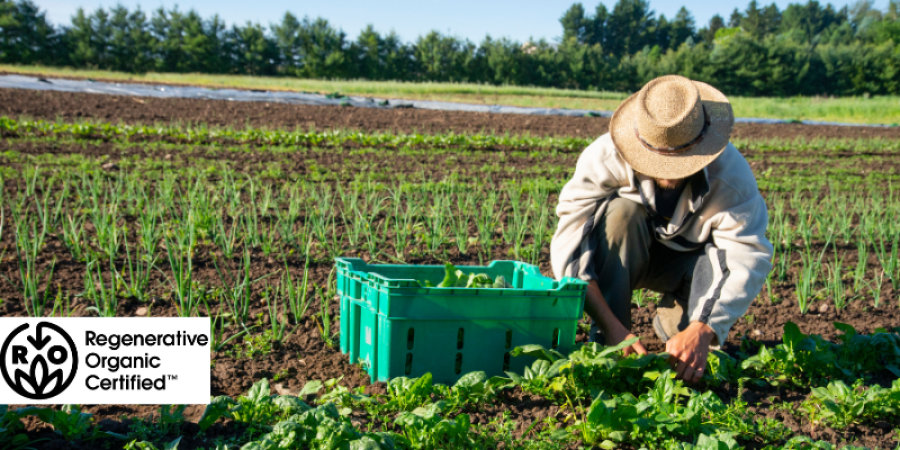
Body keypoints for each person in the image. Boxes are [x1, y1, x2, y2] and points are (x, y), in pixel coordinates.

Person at [550, 75, 773, 383]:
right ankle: (608, 341)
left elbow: (745, 255)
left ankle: (676, 323)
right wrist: (614, 329)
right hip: (627, 253)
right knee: (620, 214)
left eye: (681, 159)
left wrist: (703, 330)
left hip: (688, 266)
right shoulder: (604, 157)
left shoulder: (731, 177)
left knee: (687, 356)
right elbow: (571, 248)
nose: (669, 170)